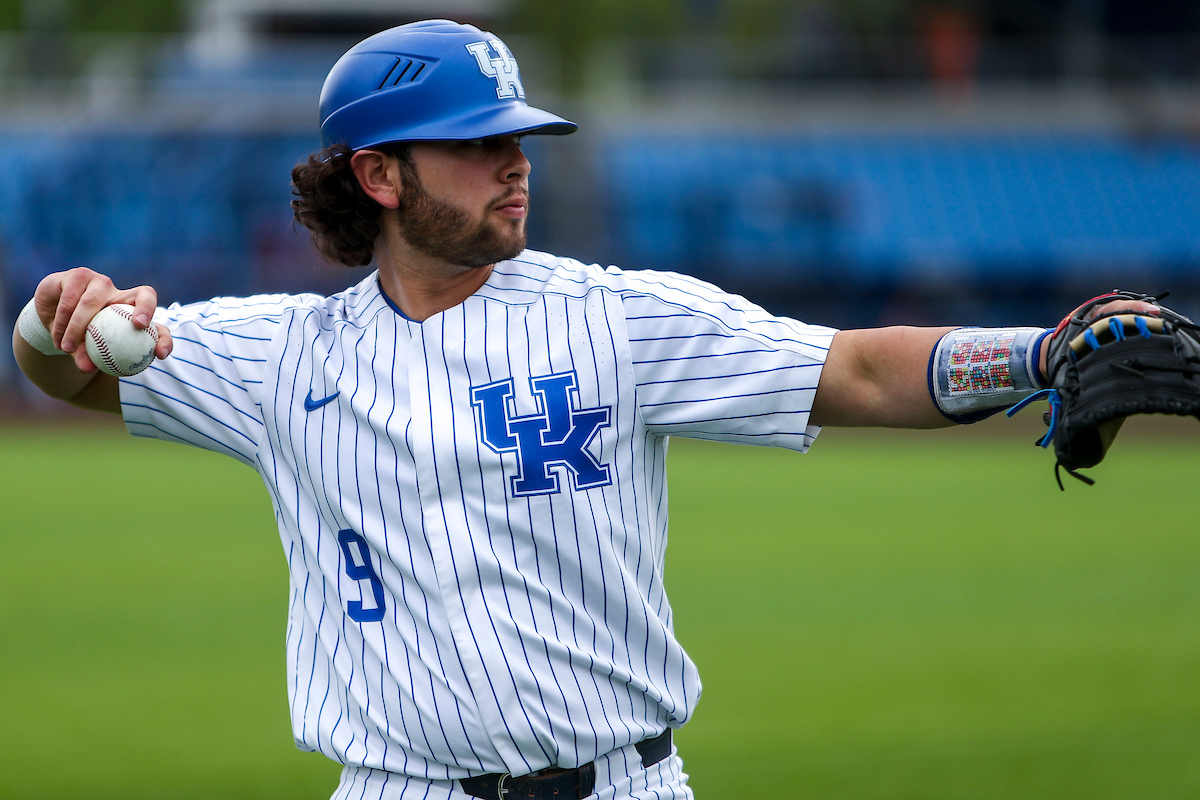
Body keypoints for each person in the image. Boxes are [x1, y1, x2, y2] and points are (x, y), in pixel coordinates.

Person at [11, 19, 1155, 800]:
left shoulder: (614, 318)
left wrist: (1041, 352)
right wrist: (50, 318)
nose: (515, 161)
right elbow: (67, 374)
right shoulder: (276, 352)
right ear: (378, 174)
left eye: (518, 136)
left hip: (628, 779)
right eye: (475, 143)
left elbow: (853, 368)